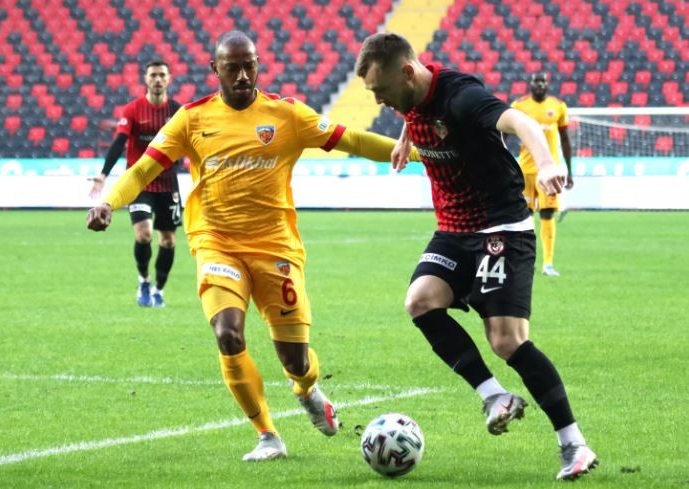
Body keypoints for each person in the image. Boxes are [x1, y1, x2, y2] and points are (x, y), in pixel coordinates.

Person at [86, 31, 418, 462]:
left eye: (250, 66)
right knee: (227, 334)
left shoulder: (286, 114)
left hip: (275, 247)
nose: (243, 76)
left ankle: (307, 390)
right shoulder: (191, 118)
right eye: (233, 68)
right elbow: (143, 168)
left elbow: (351, 140)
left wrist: (419, 153)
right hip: (216, 243)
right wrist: (108, 202)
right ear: (215, 70)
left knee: (296, 360)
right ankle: (267, 435)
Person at [355, 33, 597, 481]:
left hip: (500, 226)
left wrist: (546, 164)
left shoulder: (463, 98)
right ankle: (494, 396)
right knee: (420, 301)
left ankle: (574, 444)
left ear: (406, 72)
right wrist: (407, 137)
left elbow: (522, 121)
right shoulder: (411, 93)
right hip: (453, 228)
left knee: (506, 341)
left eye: (381, 90)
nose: (379, 101)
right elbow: (414, 109)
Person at [89, 60, 183, 307]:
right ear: (146, 79)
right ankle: (143, 281)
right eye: (153, 75)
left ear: (169, 79)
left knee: (168, 241)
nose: (157, 79)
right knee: (144, 234)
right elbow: (119, 143)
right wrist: (103, 175)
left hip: (167, 184)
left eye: (162, 75)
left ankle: (158, 290)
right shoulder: (133, 109)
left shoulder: (177, 111)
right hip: (139, 183)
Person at [511, 73, 574, 277]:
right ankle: (526, 261)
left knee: (547, 213)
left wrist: (569, 170)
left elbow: (565, 139)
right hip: (525, 171)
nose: (539, 85)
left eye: (543, 82)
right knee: (524, 217)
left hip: (549, 172)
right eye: (536, 82)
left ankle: (548, 263)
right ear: (530, 84)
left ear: (547, 84)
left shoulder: (558, 106)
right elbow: (503, 134)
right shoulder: (519, 106)